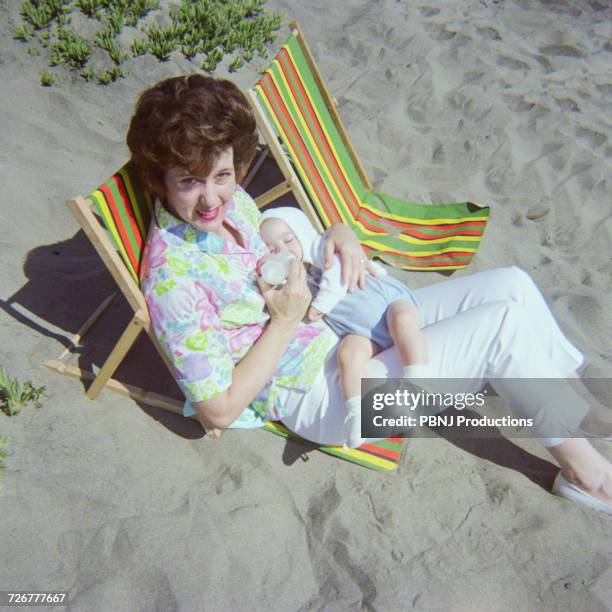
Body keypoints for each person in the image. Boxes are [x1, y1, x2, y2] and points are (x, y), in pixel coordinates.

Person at [127, 74, 612, 515]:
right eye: (189, 182)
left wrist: (337, 233)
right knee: (501, 326)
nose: (211, 198)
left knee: (512, 284)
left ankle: (573, 406)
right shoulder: (175, 280)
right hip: (332, 399)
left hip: (345, 332)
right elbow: (219, 408)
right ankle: (587, 476)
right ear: (160, 180)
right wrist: (287, 320)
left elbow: (292, 249)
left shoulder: (237, 208)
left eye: (222, 176)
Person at [259, 206, 432, 449]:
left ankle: (417, 378)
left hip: (387, 303)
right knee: (348, 356)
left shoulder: (321, 251)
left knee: (403, 321)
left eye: (289, 240)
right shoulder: (295, 279)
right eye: (273, 249)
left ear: (302, 233)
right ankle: (356, 414)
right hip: (358, 330)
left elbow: (336, 275)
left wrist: (321, 304)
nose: (285, 250)